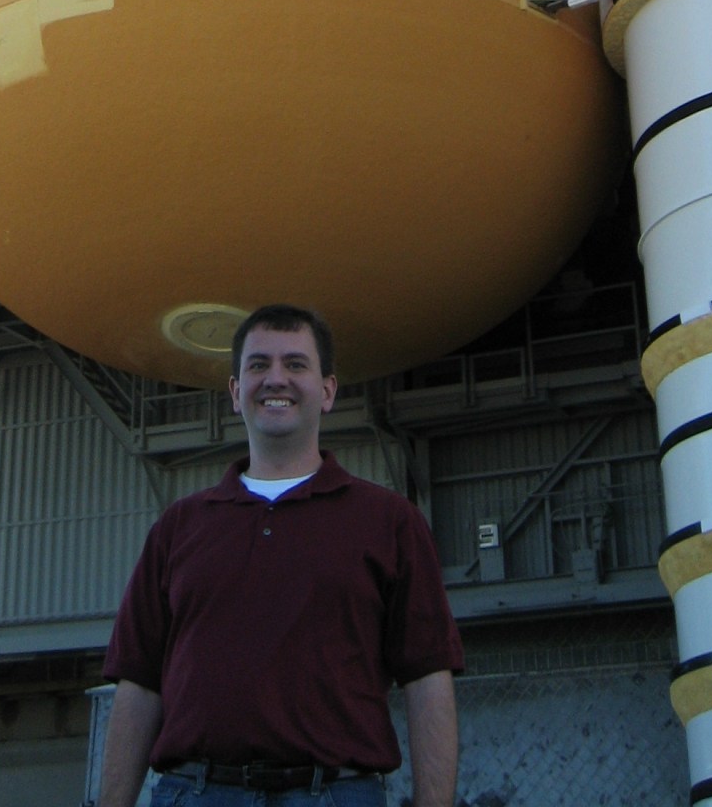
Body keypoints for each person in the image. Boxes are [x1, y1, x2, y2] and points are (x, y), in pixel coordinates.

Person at [97, 304, 461, 807]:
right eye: (258, 365)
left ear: (327, 391)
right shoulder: (178, 528)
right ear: (235, 392)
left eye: (295, 364)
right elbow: (139, 682)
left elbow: (427, 676)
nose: (275, 379)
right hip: (197, 792)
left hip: (335, 794)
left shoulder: (390, 522)